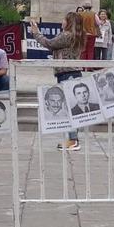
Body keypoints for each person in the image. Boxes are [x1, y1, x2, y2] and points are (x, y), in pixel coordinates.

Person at [30, 12, 86, 151]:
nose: (62, 22)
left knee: (68, 109)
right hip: (73, 72)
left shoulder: (67, 35)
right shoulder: (77, 36)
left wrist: (36, 33)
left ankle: (73, 140)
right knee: (70, 107)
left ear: (69, 22)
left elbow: (49, 44)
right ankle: (72, 139)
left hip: (67, 73)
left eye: (64, 20)